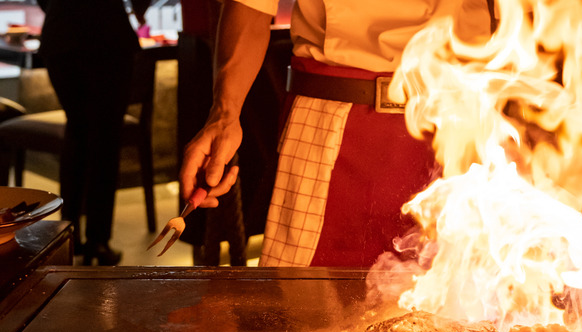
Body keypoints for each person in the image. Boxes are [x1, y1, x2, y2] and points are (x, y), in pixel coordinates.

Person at [180, 0, 493, 267]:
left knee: (466, 313)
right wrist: (224, 114)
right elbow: (251, 5)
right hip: (331, 118)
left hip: (463, 124)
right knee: (301, 317)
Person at [36, 0, 150, 265]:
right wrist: (140, 10)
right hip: (108, 34)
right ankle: (98, 241)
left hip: (60, 35)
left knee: (77, 130)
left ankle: (68, 235)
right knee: (105, 138)